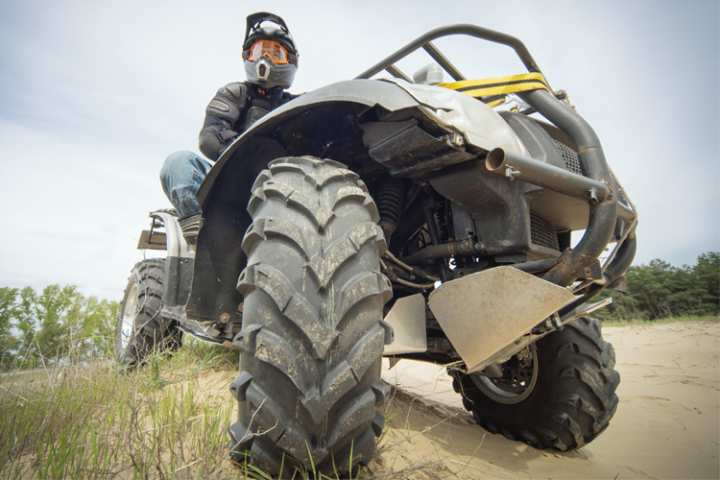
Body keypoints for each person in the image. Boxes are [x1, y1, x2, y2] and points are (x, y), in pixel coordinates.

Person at [158, 12, 298, 320]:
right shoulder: (235, 94)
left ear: (290, 60)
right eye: (260, 51)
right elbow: (210, 137)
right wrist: (249, 147)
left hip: (280, 187)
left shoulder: (296, 103)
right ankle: (199, 232)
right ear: (249, 56)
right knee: (178, 163)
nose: (267, 59)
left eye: (276, 52)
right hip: (228, 178)